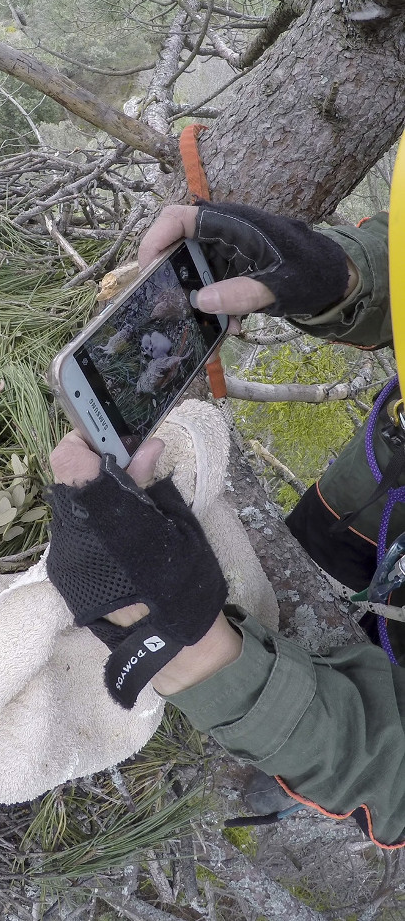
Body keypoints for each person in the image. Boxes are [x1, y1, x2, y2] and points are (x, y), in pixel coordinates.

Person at [45, 201, 405, 850]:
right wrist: (353, 275)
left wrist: (201, 658)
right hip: (387, 476)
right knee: (307, 561)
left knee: (335, 734)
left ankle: (301, 786)